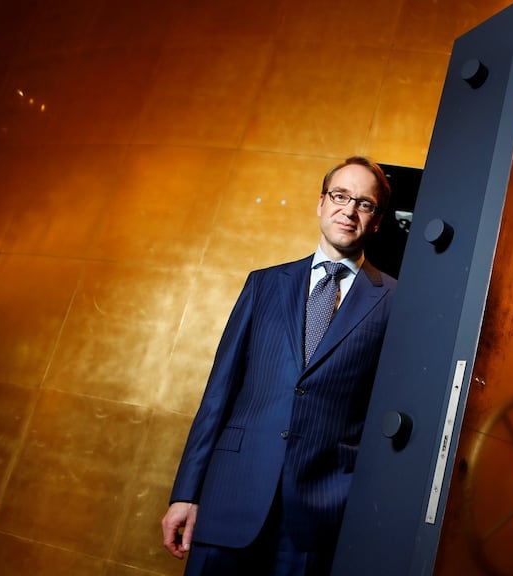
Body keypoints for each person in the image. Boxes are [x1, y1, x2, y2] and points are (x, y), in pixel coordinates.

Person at [161, 156, 397, 575]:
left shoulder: (394, 301)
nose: (349, 209)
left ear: (376, 221)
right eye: (340, 196)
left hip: (318, 514)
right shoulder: (264, 284)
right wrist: (186, 492)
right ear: (321, 203)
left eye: (365, 203)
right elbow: (219, 393)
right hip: (230, 495)